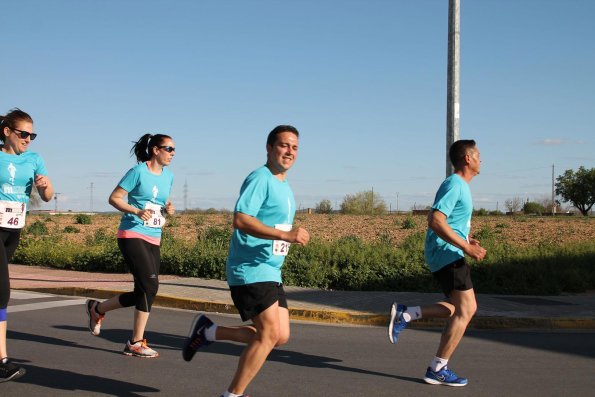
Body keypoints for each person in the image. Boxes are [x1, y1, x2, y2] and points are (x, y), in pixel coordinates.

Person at [182, 125, 309, 397]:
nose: (289, 152)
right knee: (268, 336)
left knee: (280, 336)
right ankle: (233, 394)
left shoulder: (284, 185)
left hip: (271, 271)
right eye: (284, 145)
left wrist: (285, 238)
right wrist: (285, 234)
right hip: (250, 270)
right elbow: (240, 219)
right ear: (269, 148)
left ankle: (209, 332)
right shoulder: (260, 178)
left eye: (294, 147)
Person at [388, 139, 487, 387]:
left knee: (456, 309)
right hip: (448, 254)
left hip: (447, 252)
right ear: (467, 158)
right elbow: (435, 220)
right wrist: (464, 246)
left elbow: (448, 223)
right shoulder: (455, 184)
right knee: (467, 309)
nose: (481, 160)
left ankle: (407, 314)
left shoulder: (461, 186)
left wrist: (465, 238)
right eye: (478, 155)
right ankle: (438, 367)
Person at [85, 133, 175, 358]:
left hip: (154, 236)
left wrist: (168, 210)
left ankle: (98, 309)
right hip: (132, 233)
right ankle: (135, 342)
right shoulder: (137, 172)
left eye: (174, 150)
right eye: (169, 149)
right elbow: (114, 198)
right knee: (150, 287)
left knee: (145, 291)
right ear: (155, 150)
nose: (172, 153)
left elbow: (158, 205)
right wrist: (136, 211)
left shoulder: (169, 176)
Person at [0, 108, 54, 382]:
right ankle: (1, 359)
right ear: (7, 132)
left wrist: (44, 186)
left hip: (13, 229)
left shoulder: (34, 159)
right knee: (2, 290)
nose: (28, 139)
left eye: (32, 134)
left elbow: (47, 196)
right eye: (23, 133)